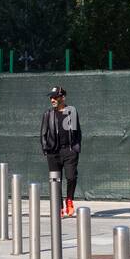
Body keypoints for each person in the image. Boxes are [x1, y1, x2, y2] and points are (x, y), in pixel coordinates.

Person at [40, 85, 82, 219]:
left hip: (69, 151)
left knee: (71, 177)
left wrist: (76, 148)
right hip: (53, 153)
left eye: (55, 97)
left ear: (62, 97)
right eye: (51, 97)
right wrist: (46, 149)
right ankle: (59, 208)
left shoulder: (71, 111)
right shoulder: (48, 114)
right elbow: (43, 133)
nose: (52, 100)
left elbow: (77, 132)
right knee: (55, 181)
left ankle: (69, 199)